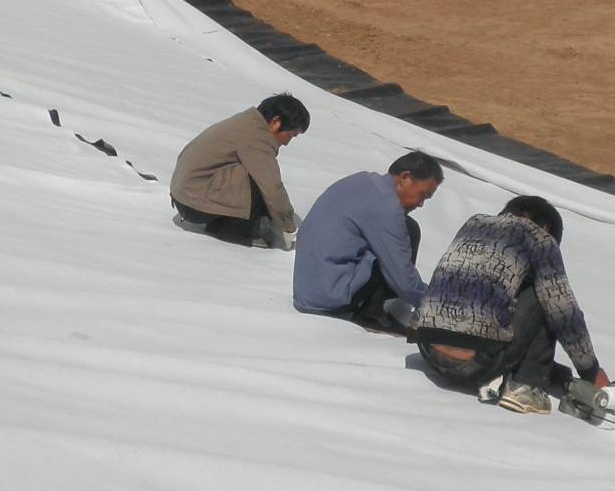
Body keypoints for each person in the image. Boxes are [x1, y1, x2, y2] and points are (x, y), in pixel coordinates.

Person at [411, 196, 610, 415]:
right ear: (545, 227)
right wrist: (591, 371)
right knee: (544, 293)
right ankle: (527, 387)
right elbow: (563, 311)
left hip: (428, 349)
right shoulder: (540, 238)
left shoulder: (474, 223)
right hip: (475, 365)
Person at [291, 153, 443, 333]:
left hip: (306, 290)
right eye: (422, 195)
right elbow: (403, 279)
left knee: (403, 228)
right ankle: (372, 313)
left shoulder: (361, 182)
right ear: (405, 178)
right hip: (330, 299)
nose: (420, 204)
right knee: (408, 231)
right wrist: (434, 304)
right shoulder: (386, 209)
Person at [170, 94, 310, 248]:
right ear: (276, 122)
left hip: (186, 195)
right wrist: (289, 229)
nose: (287, 142)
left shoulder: (248, 123)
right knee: (256, 179)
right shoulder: (256, 137)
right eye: (290, 135)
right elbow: (272, 187)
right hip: (193, 203)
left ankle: (225, 222)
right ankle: (234, 231)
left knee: (253, 175)